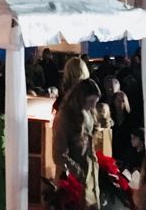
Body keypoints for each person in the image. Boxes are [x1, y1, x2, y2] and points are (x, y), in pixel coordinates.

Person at [53, 78, 101, 208]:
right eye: (91, 101)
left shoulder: (89, 113)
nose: (93, 106)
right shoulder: (64, 118)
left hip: (89, 172)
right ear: (81, 98)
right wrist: (78, 172)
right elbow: (59, 154)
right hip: (73, 178)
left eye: (95, 102)